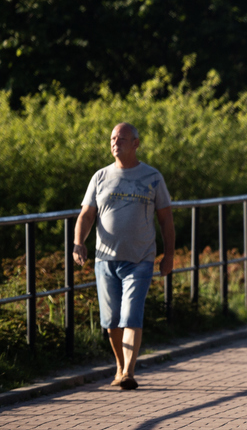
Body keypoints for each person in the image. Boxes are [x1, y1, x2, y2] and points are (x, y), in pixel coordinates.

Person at [72, 123, 175, 390]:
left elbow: (166, 220)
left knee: (131, 315)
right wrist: (78, 243)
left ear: (136, 144)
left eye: (122, 138)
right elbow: (86, 214)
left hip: (140, 258)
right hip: (105, 259)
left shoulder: (152, 177)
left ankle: (128, 372)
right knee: (111, 321)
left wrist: (168, 255)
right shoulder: (100, 177)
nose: (115, 142)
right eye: (112, 138)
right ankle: (119, 365)